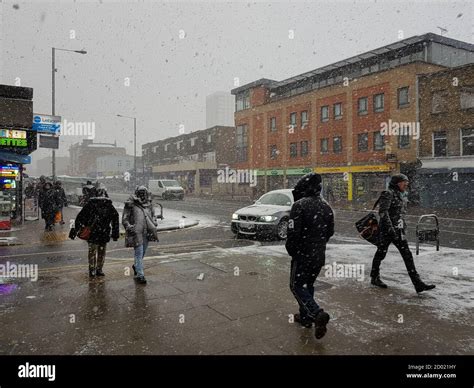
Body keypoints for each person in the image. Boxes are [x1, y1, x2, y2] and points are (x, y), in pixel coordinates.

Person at [286, 173, 334, 340]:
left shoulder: (299, 205)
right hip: (318, 255)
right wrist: (317, 244)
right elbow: (330, 232)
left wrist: (293, 251)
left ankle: (316, 313)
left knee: (296, 286)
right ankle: (305, 318)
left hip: (303, 255)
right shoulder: (326, 206)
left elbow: (293, 234)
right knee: (308, 285)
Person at [370, 174, 435, 293]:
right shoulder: (388, 193)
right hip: (387, 231)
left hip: (398, 231)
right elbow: (383, 213)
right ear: (397, 183)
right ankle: (374, 277)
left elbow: (399, 213)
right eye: (404, 182)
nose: (406, 184)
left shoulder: (400, 194)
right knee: (381, 253)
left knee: (407, 255)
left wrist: (402, 226)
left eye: (407, 182)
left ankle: (418, 284)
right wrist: (391, 229)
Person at [73, 187, 119, 278]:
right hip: (103, 232)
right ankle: (98, 269)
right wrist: (115, 234)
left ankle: (92, 269)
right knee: (101, 252)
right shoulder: (108, 205)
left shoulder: (91, 204)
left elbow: (80, 217)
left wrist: (78, 228)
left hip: (93, 232)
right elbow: (115, 219)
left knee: (92, 251)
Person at [122, 186, 158, 284]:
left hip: (147, 232)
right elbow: (125, 219)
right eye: (140, 193)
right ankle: (140, 275)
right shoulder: (131, 204)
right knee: (139, 253)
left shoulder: (149, 204)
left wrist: (154, 222)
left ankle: (136, 266)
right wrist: (130, 227)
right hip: (136, 233)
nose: (142, 195)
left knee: (142, 253)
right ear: (137, 193)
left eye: (144, 193)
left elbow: (153, 215)